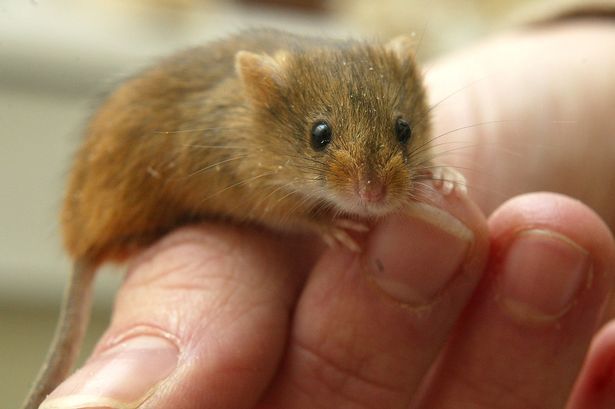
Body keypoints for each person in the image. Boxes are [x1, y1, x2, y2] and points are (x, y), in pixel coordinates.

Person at [40, 18, 615, 409]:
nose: (372, 182)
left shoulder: (393, 123)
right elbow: (244, 190)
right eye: (321, 137)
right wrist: (309, 218)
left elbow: (400, 156)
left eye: (401, 134)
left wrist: (431, 171)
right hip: (132, 203)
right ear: (265, 98)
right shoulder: (247, 137)